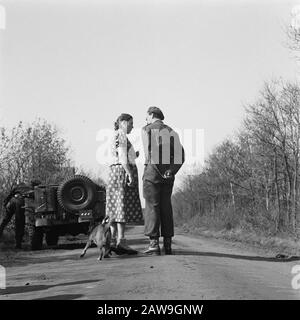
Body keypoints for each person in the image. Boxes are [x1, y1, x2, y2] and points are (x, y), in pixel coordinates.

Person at [142, 106, 185, 255]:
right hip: (167, 175)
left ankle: (154, 244)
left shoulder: (147, 129)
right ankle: (168, 244)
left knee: (152, 206)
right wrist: (171, 170)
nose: (145, 119)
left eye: (146, 116)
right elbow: (181, 156)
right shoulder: (172, 132)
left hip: (152, 173)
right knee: (166, 207)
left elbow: (148, 155)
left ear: (152, 115)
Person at [106, 113, 143, 255]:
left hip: (113, 172)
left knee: (115, 208)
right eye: (130, 123)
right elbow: (121, 157)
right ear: (122, 122)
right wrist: (129, 173)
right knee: (121, 207)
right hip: (121, 171)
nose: (132, 126)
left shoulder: (115, 135)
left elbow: (120, 154)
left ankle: (111, 242)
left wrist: (134, 154)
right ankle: (121, 242)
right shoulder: (121, 135)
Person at [0, 180, 41, 249]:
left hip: (12, 201)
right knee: (19, 222)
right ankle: (18, 244)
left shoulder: (19, 185)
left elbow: (10, 194)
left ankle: (1, 234)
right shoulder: (33, 189)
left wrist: (5, 204)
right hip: (20, 202)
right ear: (35, 185)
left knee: (5, 220)